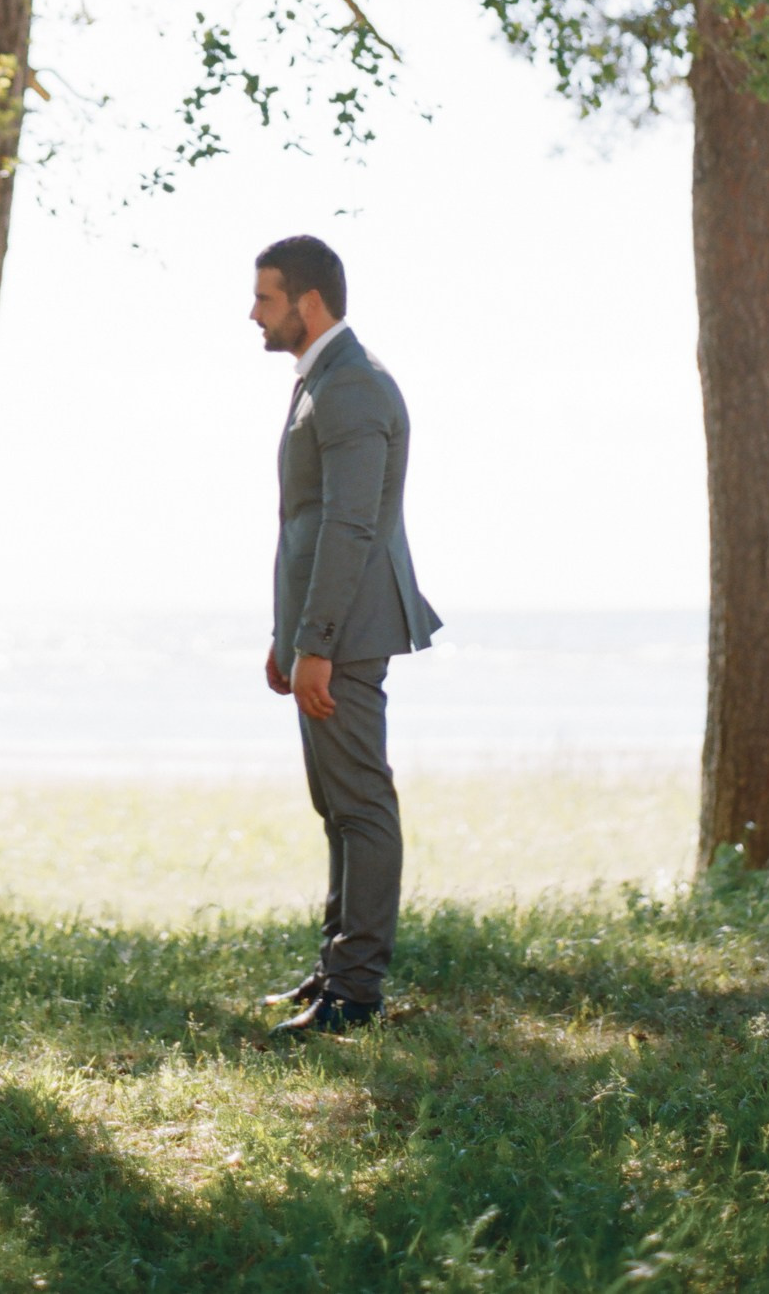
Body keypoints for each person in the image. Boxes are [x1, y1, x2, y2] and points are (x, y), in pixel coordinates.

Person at [250, 233, 440, 1037]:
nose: (252, 312)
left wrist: (318, 641)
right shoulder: (321, 378)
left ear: (309, 301)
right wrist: (285, 637)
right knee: (336, 805)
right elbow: (305, 525)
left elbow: (351, 526)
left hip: (348, 634)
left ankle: (357, 992)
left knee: (361, 804)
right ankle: (335, 967)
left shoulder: (353, 385)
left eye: (264, 297)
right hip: (319, 635)